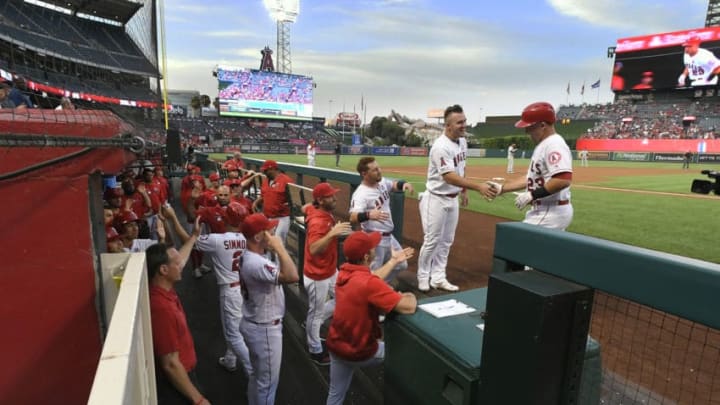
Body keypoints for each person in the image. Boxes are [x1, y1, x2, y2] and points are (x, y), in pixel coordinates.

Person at [325, 231, 417, 405]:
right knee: (403, 353)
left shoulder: (343, 273)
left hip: (336, 345)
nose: (375, 247)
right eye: (371, 246)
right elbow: (408, 307)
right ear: (367, 256)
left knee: (335, 394)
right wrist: (409, 295)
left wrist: (393, 261)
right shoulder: (368, 283)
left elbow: (370, 278)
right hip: (360, 351)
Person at [416, 104, 496, 292]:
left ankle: (438, 277)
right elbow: (449, 176)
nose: (464, 125)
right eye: (460, 122)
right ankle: (422, 277)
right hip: (435, 198)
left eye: (464, 121)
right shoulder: (440, 146)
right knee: (431, 241)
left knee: (446, 241)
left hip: (452, 198)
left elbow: (462, 168)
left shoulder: (462, 142)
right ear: (448, 125)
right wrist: (477, 187)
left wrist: (464, 191)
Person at [146, 219, 210, 405]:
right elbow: (170, 364)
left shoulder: (163, 288)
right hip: (178, 381)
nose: (182, 265)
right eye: (176, 263)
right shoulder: (161, 308)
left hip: (186, 372)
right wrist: (198, 400)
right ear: (164, 270)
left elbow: (180, 259)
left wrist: (194, 236)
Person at [238, 213, 299, 405]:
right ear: (258, 237)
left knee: (257, 377)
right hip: (264, 329)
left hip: (254, 322)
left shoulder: (252, 256)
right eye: (268, 230)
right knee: (267, 385)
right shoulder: (256, 263)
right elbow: (292, 276)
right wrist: (280, 247)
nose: (273, 232)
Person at [193, 202, 253, 377]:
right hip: (245, 288)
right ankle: (230, 359)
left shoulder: (217, 240)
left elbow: (190, 242)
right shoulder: (247, 239)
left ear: (225, 218)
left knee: (233, 333)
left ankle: (252, 370)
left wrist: (175, 221)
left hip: (230, 291)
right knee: (234, 327)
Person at [491, 102, 573, 231]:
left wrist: (532, 195)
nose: (526, 131)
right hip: (547, 210)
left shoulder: (554, 145)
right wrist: (503, 188)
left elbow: (563, 179)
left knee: (519, 245)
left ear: (542, 125)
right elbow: (530, 177)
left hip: (549, 211)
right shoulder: (544, 144)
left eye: (530, 127)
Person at [303, 183, 352, 365]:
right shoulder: (318, 221)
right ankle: (315, 350)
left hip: (329, 270)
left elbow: (306, 207)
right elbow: (314, 248)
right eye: (331, 196)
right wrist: (332, 233)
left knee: (342, 298)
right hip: (318, 275)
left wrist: (333, 232)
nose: (335, 198)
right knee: (315, 315)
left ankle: (313, 321)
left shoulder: (314, 209)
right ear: (320, 200)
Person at [349, 157, 414, 283]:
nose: (379, 171)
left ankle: (380, 286)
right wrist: (368, 215)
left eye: (379, 168)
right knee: (373, 273)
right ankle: (373, 293)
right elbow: (352, 217)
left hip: (389, 237)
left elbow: (393, 185)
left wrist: (403, 184)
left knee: (401, 264)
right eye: (375, 170)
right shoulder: (361, 194)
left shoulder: (381, 182)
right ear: (364, 174)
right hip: (374, 239)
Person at [252, 160, 294, 248]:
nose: (264, 172)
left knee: (278, 245)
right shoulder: (266, 180)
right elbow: (264, 195)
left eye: (266, 170)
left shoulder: (286, 180)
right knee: (267, 243)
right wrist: (256, 202)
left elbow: (293, 199)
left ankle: (279, 262)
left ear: (273, 169)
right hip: (268, 217)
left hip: (281, 218)